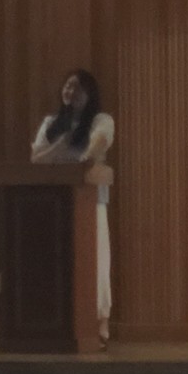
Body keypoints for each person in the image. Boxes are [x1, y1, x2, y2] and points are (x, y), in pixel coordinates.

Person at [31, 69, 115, 345]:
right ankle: (59, 323)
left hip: (90, 201)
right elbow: (36, 158)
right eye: (67, 86)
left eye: (77, 88)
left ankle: (99, 323)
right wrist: (61, 145)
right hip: (54, 203)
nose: (70, 92)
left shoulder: (101, 120)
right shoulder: (52, 123)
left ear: (89, 94)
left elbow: (98, 145)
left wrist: (82, 159)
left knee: (96, 262)